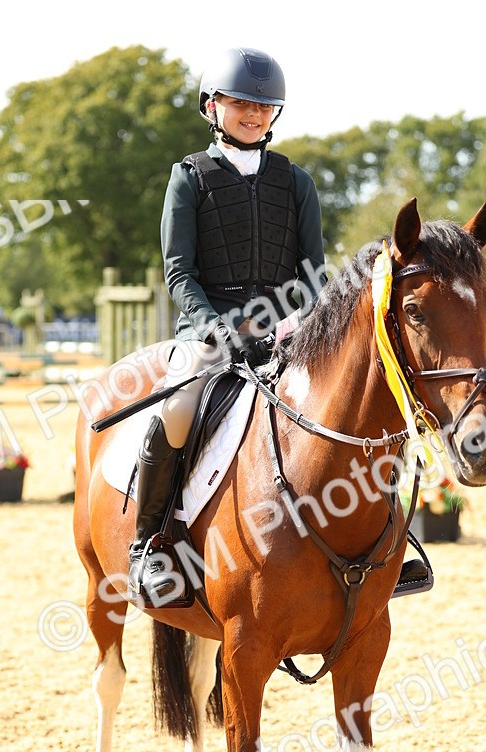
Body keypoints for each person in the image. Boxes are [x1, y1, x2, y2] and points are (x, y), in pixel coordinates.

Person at [127, 46, 325, 603]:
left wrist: (296, 321)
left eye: (264, 106)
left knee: (355, 396)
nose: (254, 114)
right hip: (211, 331)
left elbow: (313, 271)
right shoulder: (188, 177)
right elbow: (178, 269)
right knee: (177, 407)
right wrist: (213, 327)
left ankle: (383, 539)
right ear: (212, 106)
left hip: (288, 332)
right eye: (241, 103)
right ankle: (150, 545)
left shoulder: (296, 182)